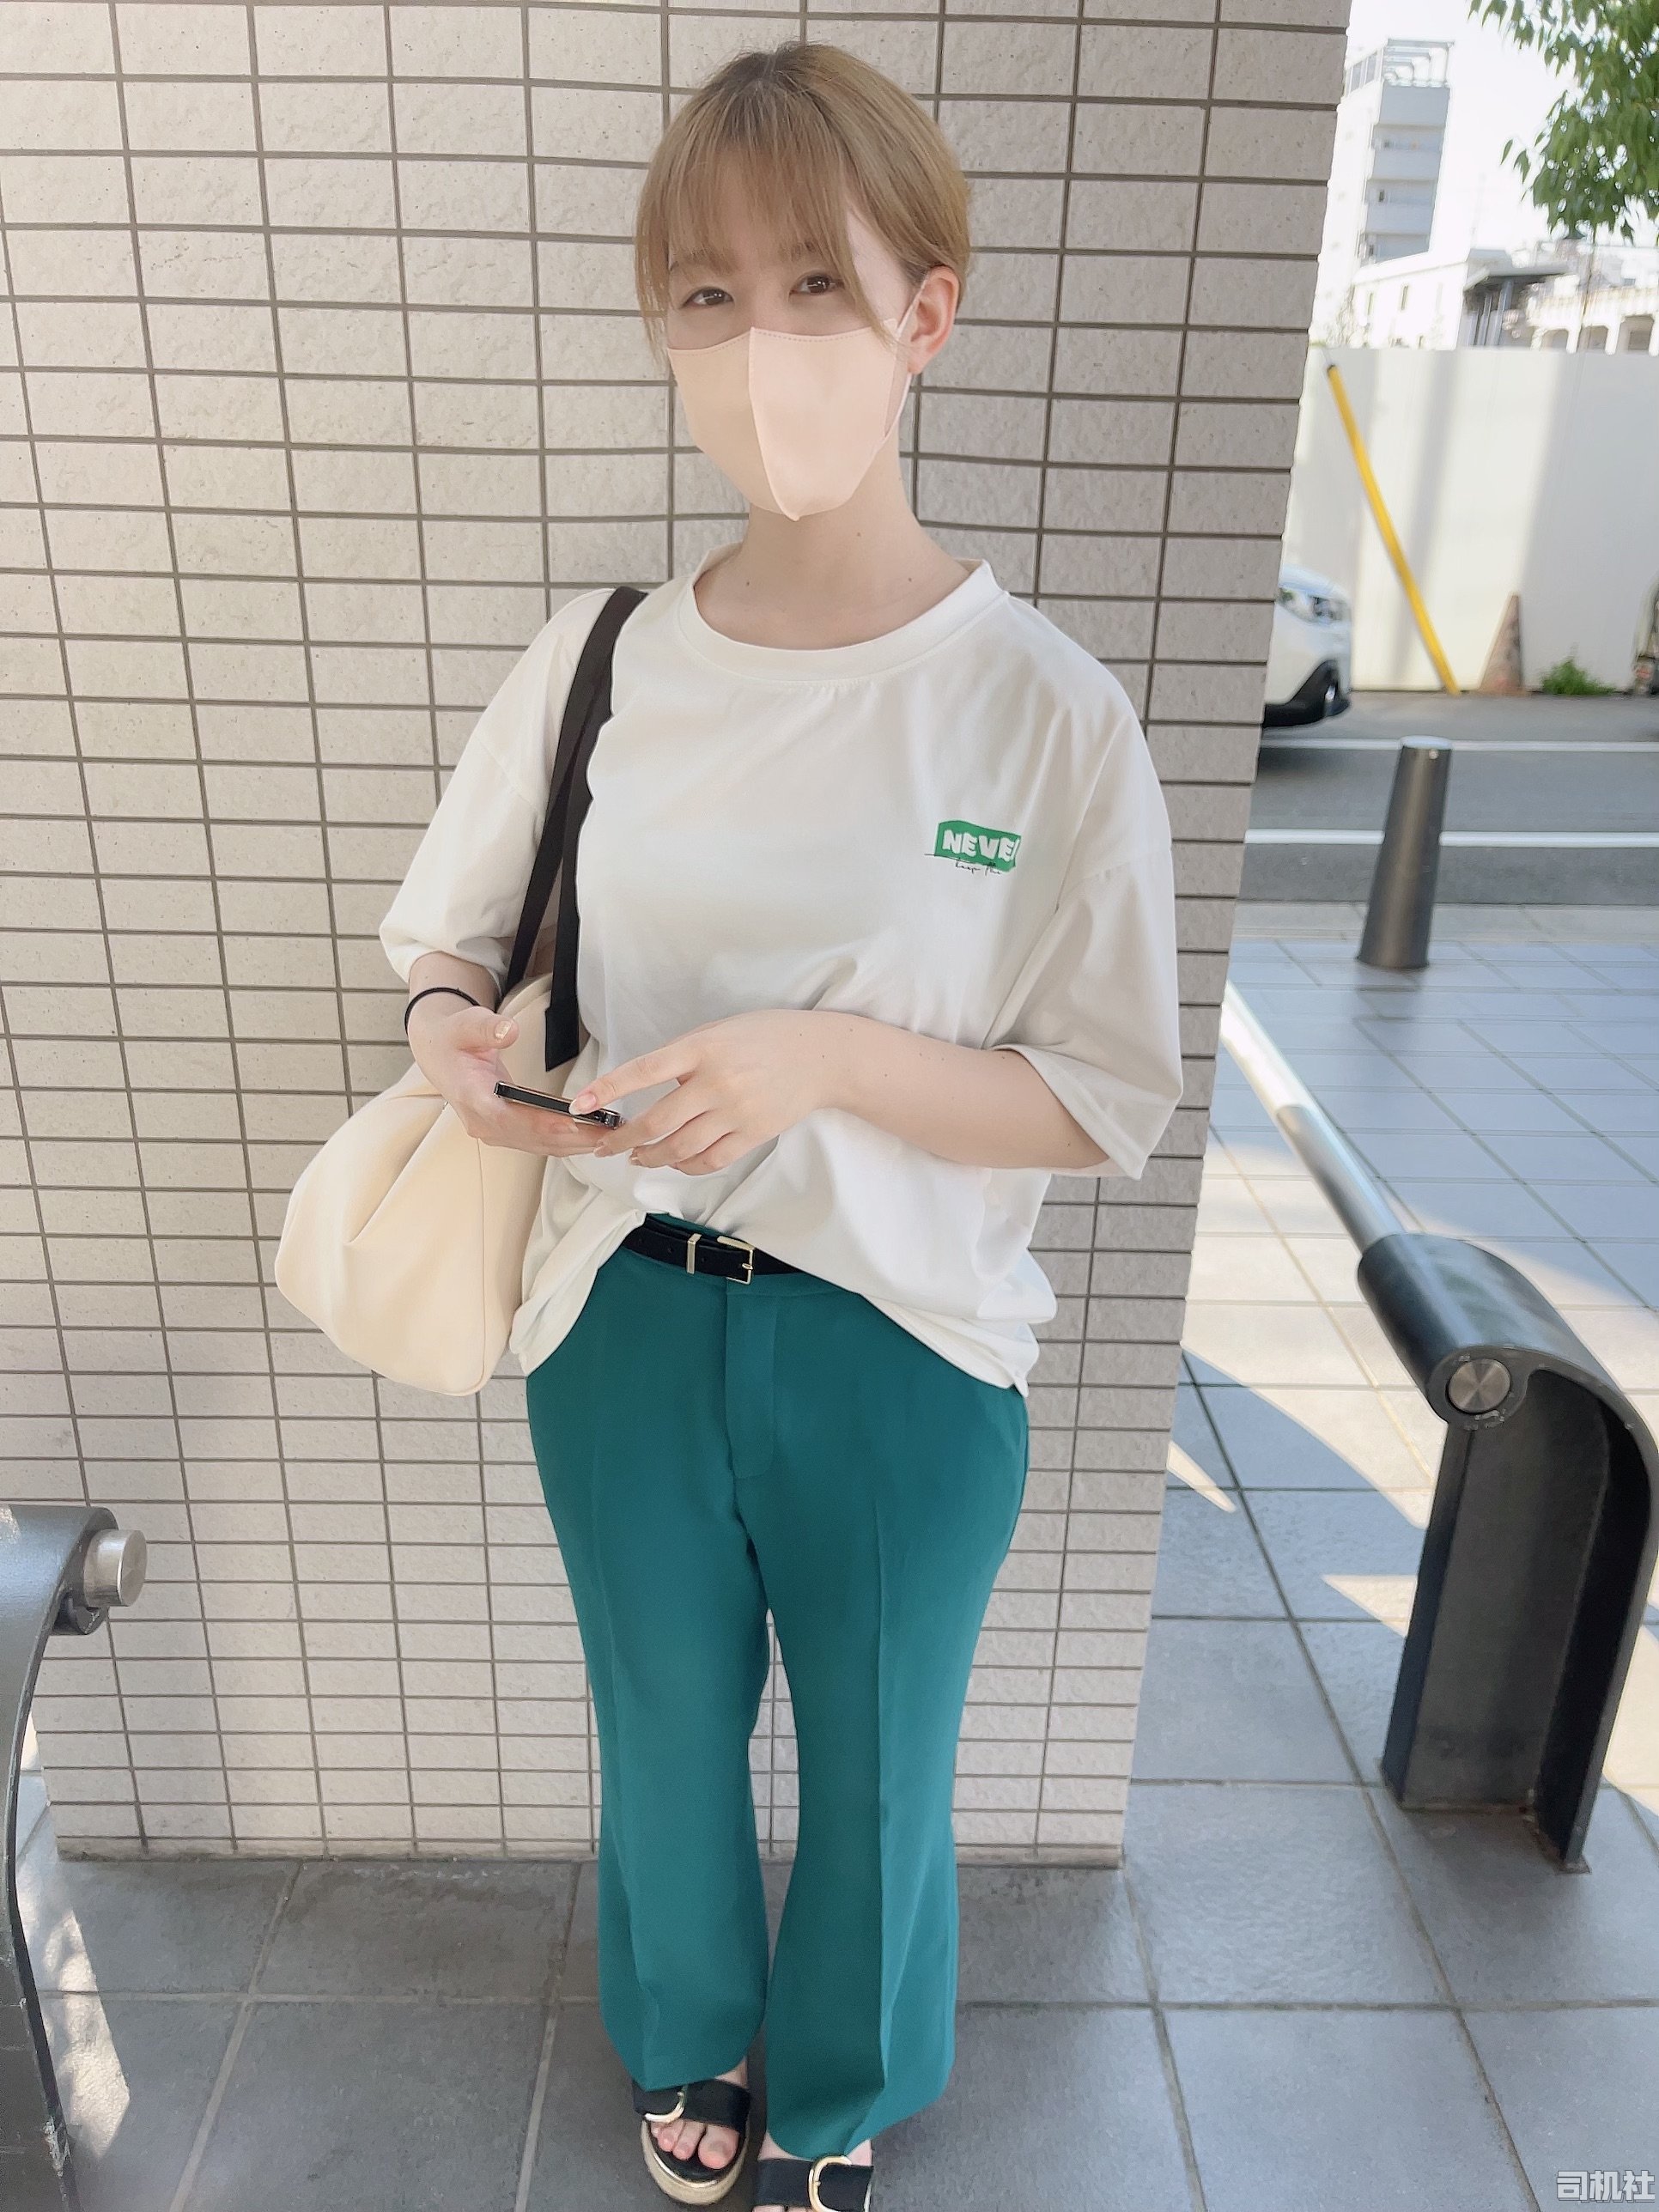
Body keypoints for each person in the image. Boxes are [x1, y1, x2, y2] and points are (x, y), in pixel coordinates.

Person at [378, 40, 1182, 2212]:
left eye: (815, 284)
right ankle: (693, 2041)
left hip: (902, 1344)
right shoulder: (607, 659)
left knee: (884, 1759)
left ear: (929, 309)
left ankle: (838, 2084)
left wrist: (818, 1060)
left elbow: (1103, 1093)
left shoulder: (1043, 710)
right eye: (707, 297)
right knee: (659, 1729)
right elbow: (450, 942)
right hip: (620, 1321)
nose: (761, 347)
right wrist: (460, 1044)